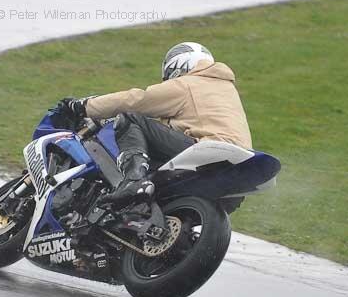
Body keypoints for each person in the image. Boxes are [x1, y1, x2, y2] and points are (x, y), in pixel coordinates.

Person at [61, 42, 252, 208]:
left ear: (178, 65)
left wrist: (84, 106)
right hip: (239, 165)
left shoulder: (188, 83)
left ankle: (133, 181)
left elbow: (136, 100)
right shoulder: (226, 89)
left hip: (208, 149)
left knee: (130, 118)